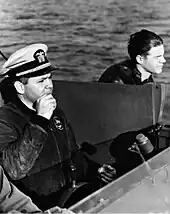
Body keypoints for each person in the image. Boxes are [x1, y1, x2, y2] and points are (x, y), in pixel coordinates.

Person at [0, 44, 116, 211]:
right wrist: (40, 120)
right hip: (39, 207)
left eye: (49, 78)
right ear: (20, 87)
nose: (49, 85)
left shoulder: (55, 112)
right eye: (41, 80)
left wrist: (96, 169)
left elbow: (73, 155)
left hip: (71, 197)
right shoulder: (5, 120)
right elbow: (14, 170)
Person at [98, 29, 166, 84]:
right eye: (158, 57)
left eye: (162, 56)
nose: (163, 60)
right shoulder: (119, 80)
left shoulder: (146, 79)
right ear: (140, 59)